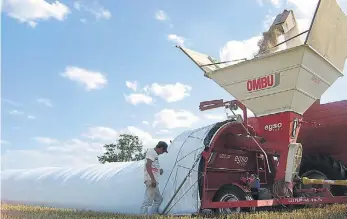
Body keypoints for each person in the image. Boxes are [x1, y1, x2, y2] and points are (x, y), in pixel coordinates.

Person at [140, 141, 168, 215]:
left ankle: (152, 213)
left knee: (159, 199)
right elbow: (148, 165)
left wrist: (159, 171)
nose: (163, 153)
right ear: (161, 148)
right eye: (163, 151)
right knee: (148, 200)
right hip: (151, 180)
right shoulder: (151, 152)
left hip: (154, 181)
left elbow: (152, 167)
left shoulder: (154, 155)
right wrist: (152, 179)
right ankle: (142, 215)